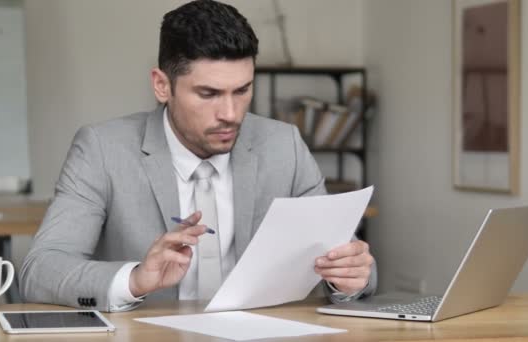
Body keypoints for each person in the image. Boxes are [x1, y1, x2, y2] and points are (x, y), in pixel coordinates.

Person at [20, 0, 376, 312]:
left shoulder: (284, 145)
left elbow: (353, 263)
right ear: (162, 85)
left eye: (242, 90)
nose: (231, 113)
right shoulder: (102, 149)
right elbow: (41, 270)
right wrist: (135, 279)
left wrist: (349, 276)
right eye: (209, 93)